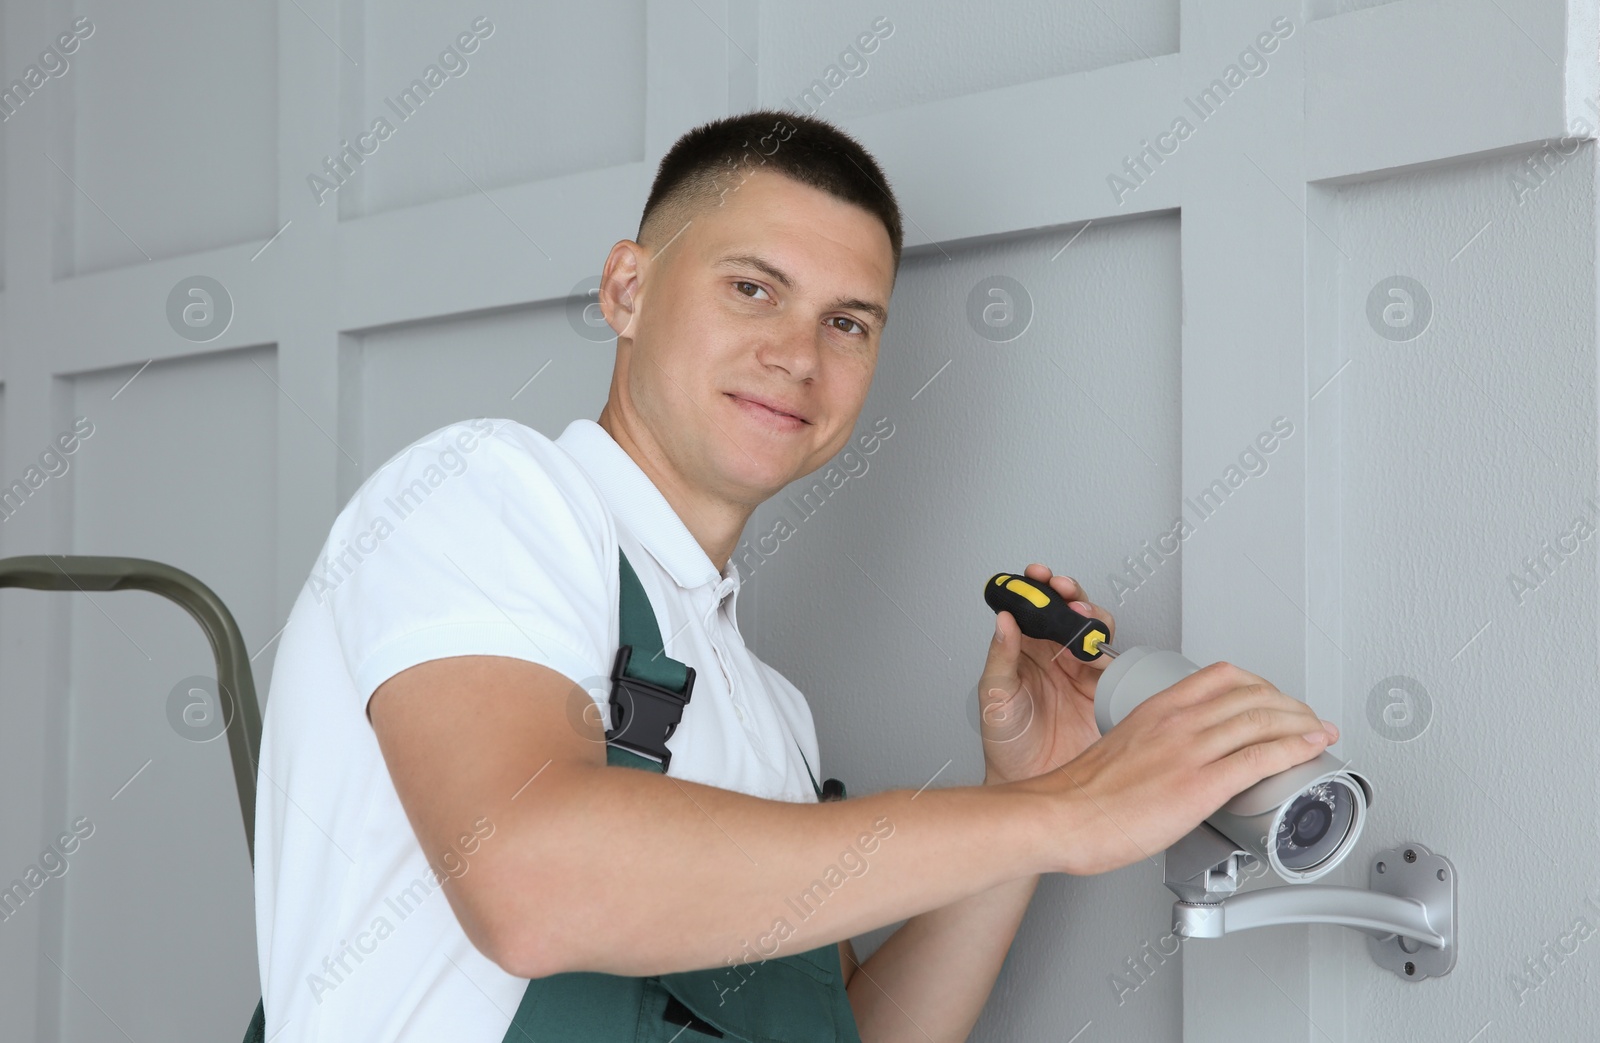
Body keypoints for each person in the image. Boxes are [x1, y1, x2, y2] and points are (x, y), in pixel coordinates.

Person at [252, 109, 1340, 1042]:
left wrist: (1016, 801)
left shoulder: (769, 714)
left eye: (847, 321)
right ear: (628, 288)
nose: (799, 354)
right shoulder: (483, 491)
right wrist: (1071, 812)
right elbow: (530, 880)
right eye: (752, 287)